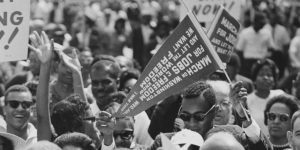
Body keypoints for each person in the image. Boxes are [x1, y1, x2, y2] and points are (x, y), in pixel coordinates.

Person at [89, 55, 153, 146]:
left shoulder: (137, 114)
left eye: (106, 82)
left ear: (118, 82)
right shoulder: (87, 115)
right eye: (95, 83)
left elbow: (150, 146)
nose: (99, 87)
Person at [148, 81, 217, 150]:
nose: (191, 124)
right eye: (185, 116)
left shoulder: (224, 141)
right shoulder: (164, 142)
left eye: (199, 117)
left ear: (215, 111)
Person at [247, 59, 285, 135]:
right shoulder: (247, 100)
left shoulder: (280, 95)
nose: (265, 78)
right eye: (261, 74)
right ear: (254, 79)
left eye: (269, 75)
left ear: (274, 80)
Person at [236, 11, 275, 78]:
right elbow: (239, 50)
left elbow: (272, 49)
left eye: (263, 24)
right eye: (260, 23)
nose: (262, 25)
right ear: (255, 22)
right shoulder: (245, 32)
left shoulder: (267, 33)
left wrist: (266, 57)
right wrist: (241, 65)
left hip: (261, 62)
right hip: (247, 63)